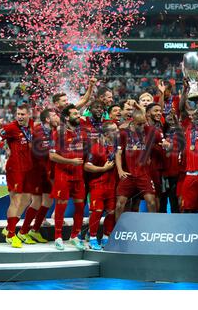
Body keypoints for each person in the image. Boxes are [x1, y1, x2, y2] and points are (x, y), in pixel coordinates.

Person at [115, 110, 169, 220]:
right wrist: (120, 170)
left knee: (151, 202)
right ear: (133, 121)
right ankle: (118, 230)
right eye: (140, 124)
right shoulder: (123, 133)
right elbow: (118, 153)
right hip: (128, 174)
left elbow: (164, 141)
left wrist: (166, 143)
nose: (143, 126)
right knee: (120, 204)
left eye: (144, 123)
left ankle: (151, 228)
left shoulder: (151, 130)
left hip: (144, 174)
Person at [0, 105, 34, 248]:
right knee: (15, 200)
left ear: (29, 114)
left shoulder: (32, 126)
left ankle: (8, 228)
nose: (20, 116)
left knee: (27, 199)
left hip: (28, 170)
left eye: (23, 114)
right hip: (15, 169)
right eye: (18, 114)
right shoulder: (11, 127)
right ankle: (11, 234)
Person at [49, 104, 88, 250]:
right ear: (66, 117)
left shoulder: (82, 133)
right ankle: (58, 237)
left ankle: (74, 236)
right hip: (63, 175)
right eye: (75, 114)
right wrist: (70, 161)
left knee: (79, 207)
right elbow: (52, 156)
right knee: (61, 206)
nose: (79, 115)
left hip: (78, 176)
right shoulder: (58, 133)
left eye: (79, 114)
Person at [17, 109, 59, 244]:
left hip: (46, 173)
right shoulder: (37, 132)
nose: (57, 117)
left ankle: (34, 231)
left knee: (48, 202)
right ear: (47, 119)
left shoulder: (53, 132)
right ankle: (22, 232)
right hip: (36, 173)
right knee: (36, 202)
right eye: (54, 115)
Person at [84, 121, 119, 250]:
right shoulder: (95, 148)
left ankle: (106, 237)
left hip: (112, 185)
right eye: (114, 130)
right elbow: (87, 166)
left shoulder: (116, 147)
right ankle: (92, 238)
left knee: (111, 212)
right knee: (97, 212)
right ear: (106, 133)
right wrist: (103, 169)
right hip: (97, 185)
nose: (117, 132)